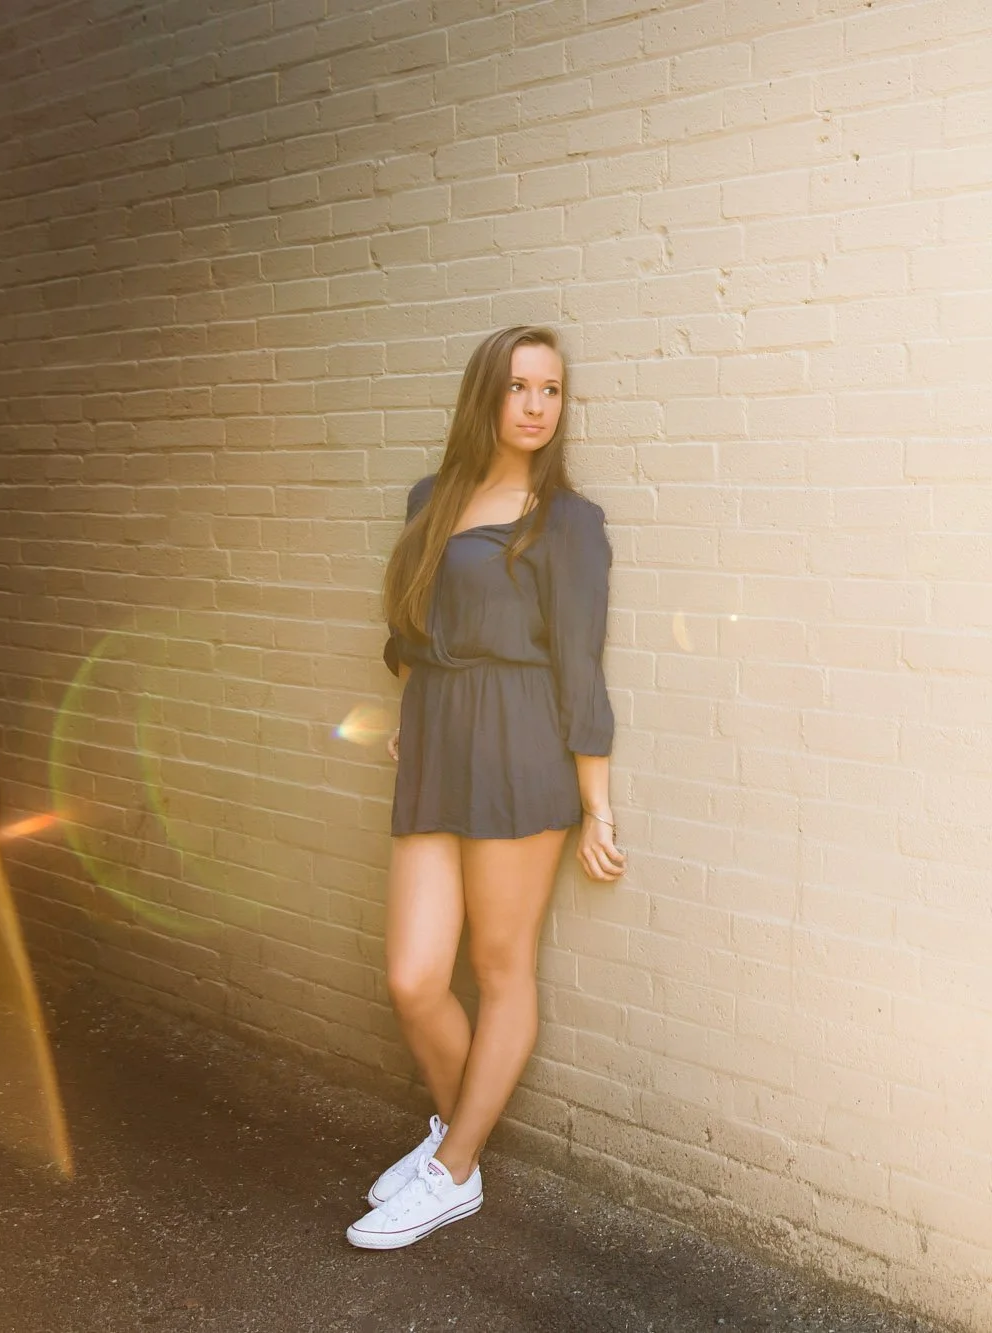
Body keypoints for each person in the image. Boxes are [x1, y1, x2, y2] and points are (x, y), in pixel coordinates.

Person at [348, 326, 626, 1250]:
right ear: (487, 397)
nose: (539, 405)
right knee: (414, 975)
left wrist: (597, 800)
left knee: (502, 969)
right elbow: (410, 626)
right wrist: (421, 711)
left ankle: (455, 1166)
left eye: (552, 388)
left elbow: (579, 667)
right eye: (520, 387)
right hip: (439, 746)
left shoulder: (569, 523)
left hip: (520, 751)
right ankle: (452, 1139)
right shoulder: (433, 499)